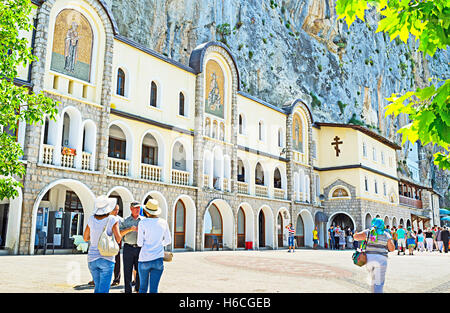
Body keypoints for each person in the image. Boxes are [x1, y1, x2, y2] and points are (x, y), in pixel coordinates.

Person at [83, 196, 122, 293]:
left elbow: (85, 238)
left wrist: (96, 236)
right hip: (107, 258)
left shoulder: (91, 219)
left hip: (92, 258)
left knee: (97, 288)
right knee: (104, 289)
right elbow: (118, 238)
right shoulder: (112, 219)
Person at [137, 199, 171, 293]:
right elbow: (168, 240)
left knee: (142, 288)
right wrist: (159, 244)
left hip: (144, 259)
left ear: (147, 211)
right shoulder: (163, 222)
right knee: (154, 289)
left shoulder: (142, 223)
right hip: (158, 259)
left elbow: (139, 243)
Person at [353, 218, 395, 293]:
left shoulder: (369, 232)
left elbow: (356, 237)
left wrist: (355, 234)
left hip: (369, 259)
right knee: (378, 283)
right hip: (381, 260)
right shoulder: (386, 235)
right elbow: (392, 249)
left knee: (374, 279)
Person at [120, 201, 144, 293]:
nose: (138, 210)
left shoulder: (143, 220)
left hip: (140, 248)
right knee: (127, 271)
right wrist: (129, 229)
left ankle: (138, 289)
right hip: (128, 248)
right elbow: (120, 234)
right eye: (136, 208)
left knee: (140, 271)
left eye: (139, 208)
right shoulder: (125, 221)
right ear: (131, 209)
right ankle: (128, 291)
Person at [110, 204, 123, 287]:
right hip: (106, 243)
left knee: (117, 261)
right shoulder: (106, 218)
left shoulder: (120, 219)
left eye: (118, 210)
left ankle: (116, 279)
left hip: (116, 242)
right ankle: (96, 279)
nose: (116, 211)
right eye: (115, 209)